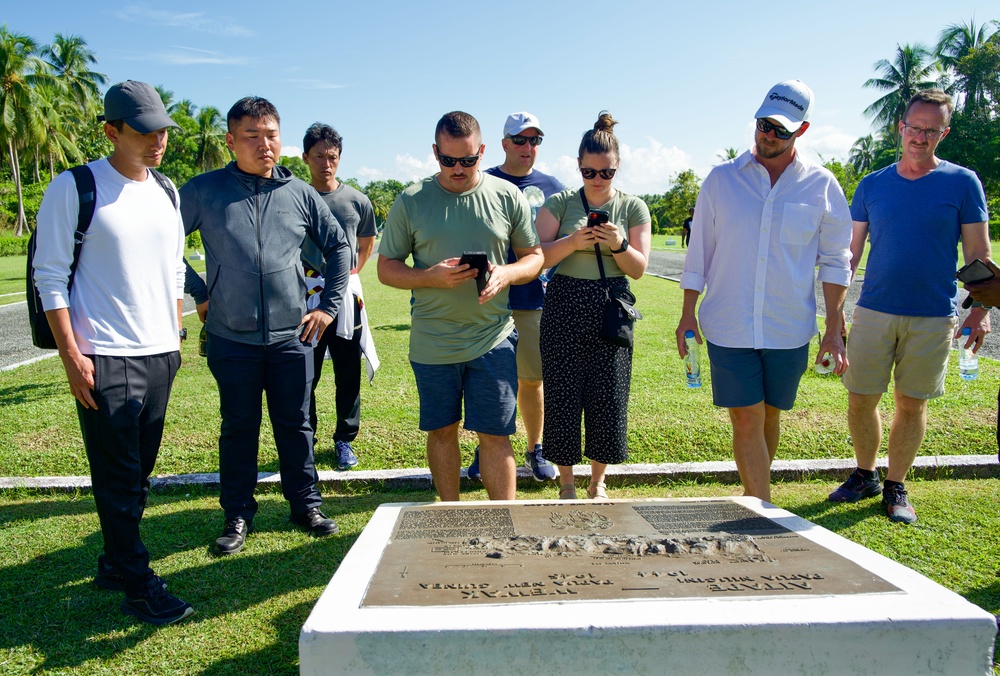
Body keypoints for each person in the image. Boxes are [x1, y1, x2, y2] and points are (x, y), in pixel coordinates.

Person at [32, 80, 193, 624]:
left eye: (163, 130)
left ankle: (110, 560)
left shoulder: (167, 190)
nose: (158, 141)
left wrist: (173, 335)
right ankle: (138, 580)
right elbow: (49, 277)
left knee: (137, 472)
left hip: (160, 354)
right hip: (104, 354)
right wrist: (71, 356)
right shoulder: (75, 187)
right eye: (144, 132)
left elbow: (175, 267)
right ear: (112, 131)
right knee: (119, 474)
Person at [182, 97, 352, 555]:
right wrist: (198, 290)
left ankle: (306, 505)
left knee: (296, 425)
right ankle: (237, 514)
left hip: (291, 336)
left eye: (271, 134)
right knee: (238, 426)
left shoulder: (299, 192)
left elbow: (339, 248)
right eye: (252, 136)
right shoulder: (203, 190)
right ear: (230, 141)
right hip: (230, 336)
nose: (264, 144)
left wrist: (329, 307)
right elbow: (159, 242)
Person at [676, 80, 852, 504]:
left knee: (770, 415)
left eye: (780, 130)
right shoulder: (721, 181)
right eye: (762, 125)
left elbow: (836, 260)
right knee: (746, 418)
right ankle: (763, 509)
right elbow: (699, 251)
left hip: (788, 326)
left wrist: (834, 328)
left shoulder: (822, 186)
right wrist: (686, 313)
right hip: (728, 323)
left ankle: (753, 493)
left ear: (802, 130)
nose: (767, 136)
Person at [829, 89, 990, 524]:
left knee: (911, 403)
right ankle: (865, 474)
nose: (920, 137)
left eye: (931, 130)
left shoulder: (963, 182)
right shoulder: (872, 184)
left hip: (933, 315)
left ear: (944, 132)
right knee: (861, 398)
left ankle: (896, 484)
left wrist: (980, 310)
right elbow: (849, 254)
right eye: (914, 127)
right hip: (875, 311)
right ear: (901, 127)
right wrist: (834, 311)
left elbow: (978, 254)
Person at [377, 111, 543, 502]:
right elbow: (386, 269)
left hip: (493, 338)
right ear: (435, 152)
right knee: (442, 431)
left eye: (468, 160)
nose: (457, 169)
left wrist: (506, 274)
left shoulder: (506, 196)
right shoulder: (412, 200)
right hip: (433, 343)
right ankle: (449, 516)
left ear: (482, 151)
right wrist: (429, 277)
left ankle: (504, 524)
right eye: (448, 160)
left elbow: (534, 257)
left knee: (497, 435)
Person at [535, 111, 652, 500]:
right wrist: (573, 242)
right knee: (563, 393)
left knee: (608, 394)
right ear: (578, 167)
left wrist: (618, 243)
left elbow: (638, 269)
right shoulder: (559, 203)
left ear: (618, 167)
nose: (598, 180)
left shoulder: (634, 207)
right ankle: (567, 484)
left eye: (606, 173)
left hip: (610, 304)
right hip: (564, 301)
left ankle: (598, 483)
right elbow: (537, 257)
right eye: (589, 172)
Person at [464, 112, 564, 484]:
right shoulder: (483, 180)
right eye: (519, 140)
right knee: (489, 380)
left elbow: (562, 242)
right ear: (504, 143)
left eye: (534, 140)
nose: (527, 147)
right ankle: (488, 447)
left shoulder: (554, 187)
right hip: (492, 299)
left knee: (532, 380)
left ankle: (535, 448)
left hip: (535, 299)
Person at [301, 123, 379, 471]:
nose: (325, 163)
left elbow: (366, 244)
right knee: (305, 374)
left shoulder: (356, 200)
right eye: (318, 156)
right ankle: (307, 440)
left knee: (348, 373)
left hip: (345, 297)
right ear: (306, 158)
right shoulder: (294, 195)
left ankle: (345, 440)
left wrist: (350, 273)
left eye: (332, 156)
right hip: (303, 296)